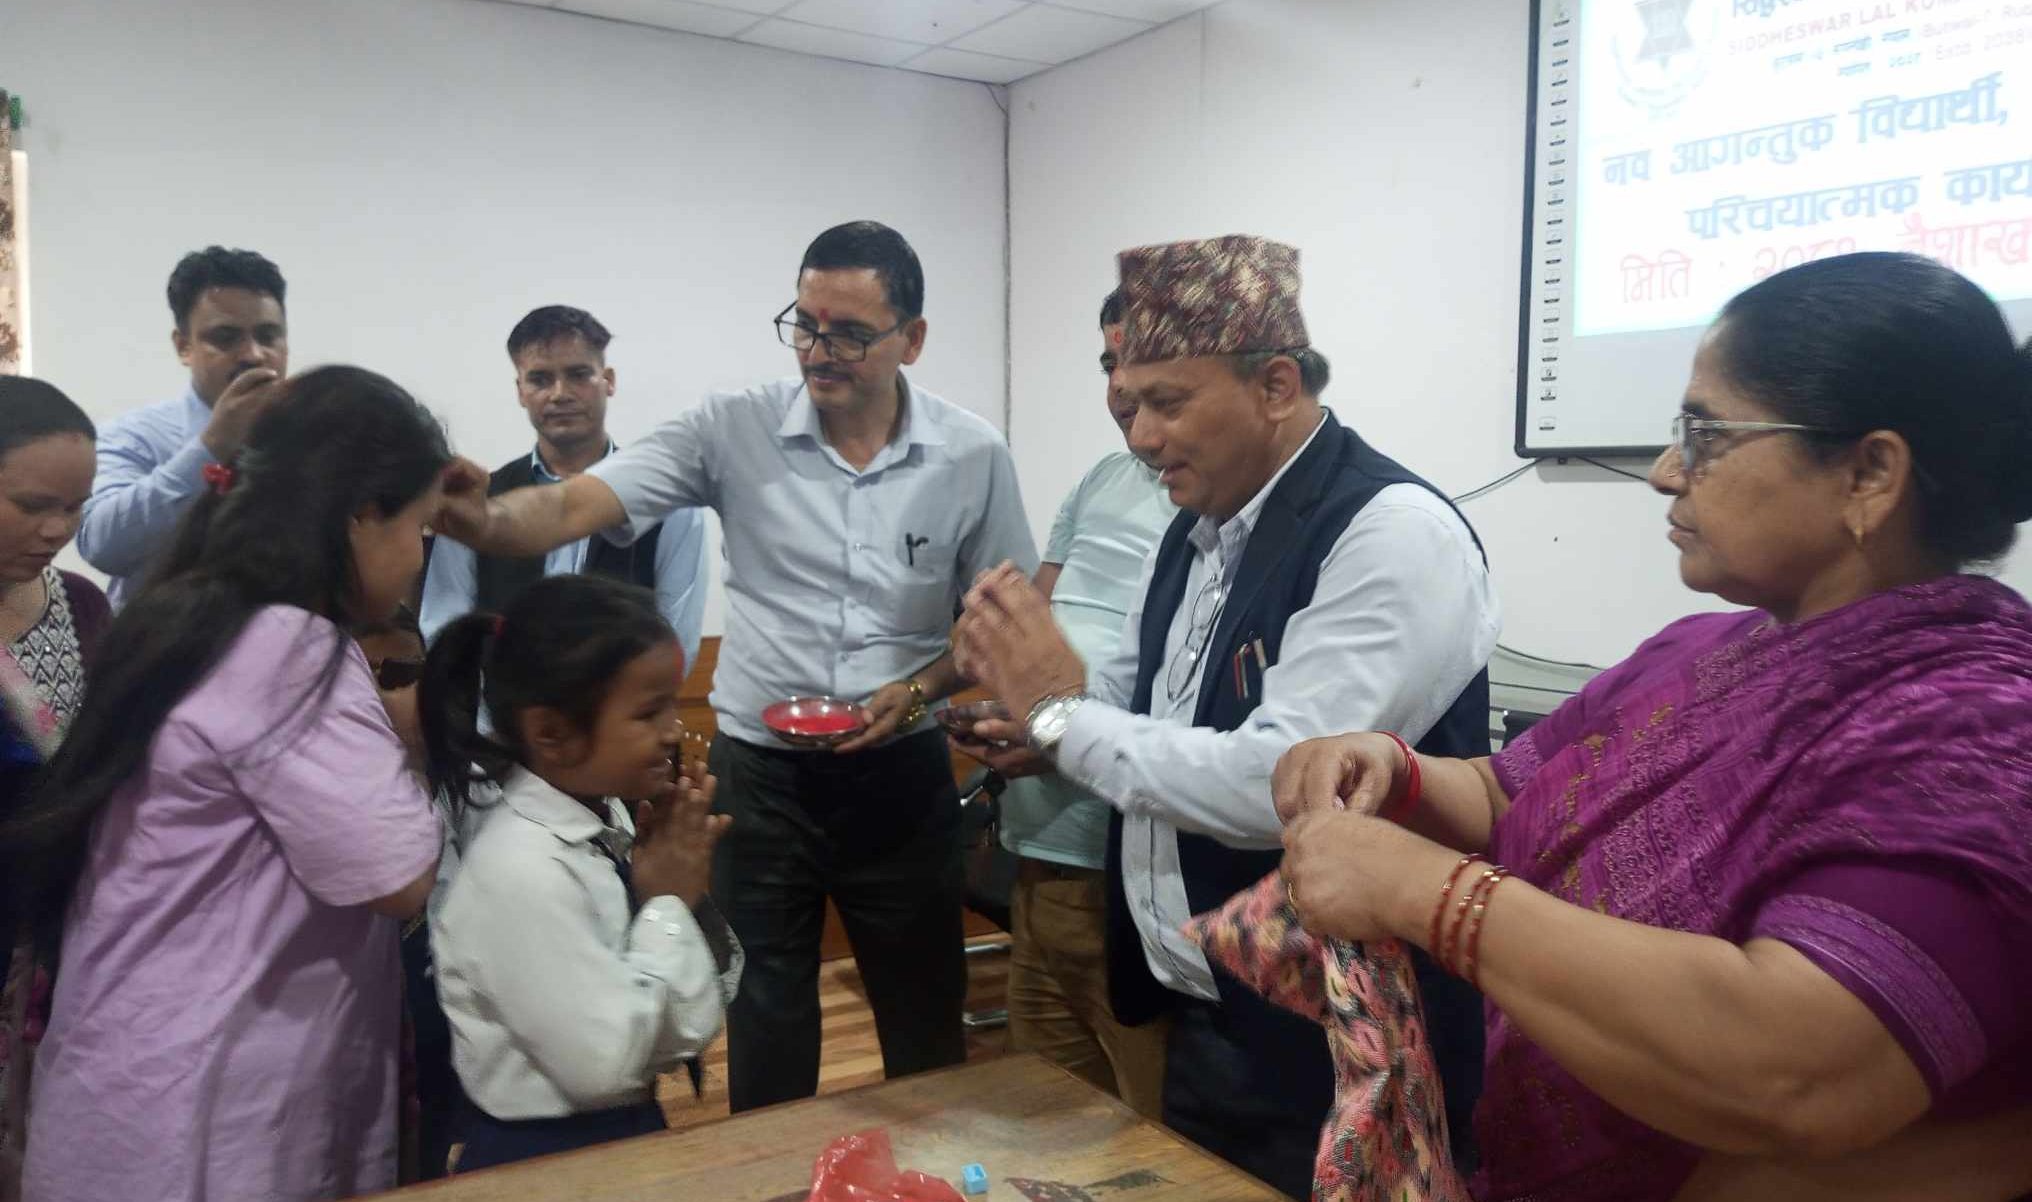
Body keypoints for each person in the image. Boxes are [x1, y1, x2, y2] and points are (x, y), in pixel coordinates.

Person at [1272, 252, 2032, 1202]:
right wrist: (1398, 772)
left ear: (1869, 473)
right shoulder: (1706, 650)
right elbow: (1512, 794)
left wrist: (1427, 893)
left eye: (1707, 435)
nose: (1667, 473)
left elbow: (1798, 1068)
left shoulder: (1975, 729)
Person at [430, 221, 1038, 1113]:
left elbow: (1004, 621)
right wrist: (484, 523)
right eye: (805, 325)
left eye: (849, 334)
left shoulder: (971, 455)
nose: (819, 352)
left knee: (923, 1018)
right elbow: (574, 504)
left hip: (900, 774)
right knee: (765, 1020)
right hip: (760, 779)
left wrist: (920, 690)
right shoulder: (732, 427)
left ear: (911, 339)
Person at [953, 234, 1498, 1198]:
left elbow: (1272, 784)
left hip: (1345, 1038)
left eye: (1167, 403)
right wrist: (1034, 699)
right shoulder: (1197, 529)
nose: (1139, 436)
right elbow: (1130, 694)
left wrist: (1057, 715)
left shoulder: (1392, 533)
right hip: (1206, 1013)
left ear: (1275, 385)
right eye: (1129, 403)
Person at [8, 367, 448, 1202]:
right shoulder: (289, 647)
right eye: (420, 527)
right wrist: (414, 752)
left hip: (135, 1080)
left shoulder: (189, 611)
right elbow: (396, 874)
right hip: (210, 1108)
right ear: (361, 515)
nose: (421, 556)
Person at [420, 573, 738, 1170]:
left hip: (618, 1132)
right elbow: (607, 1065)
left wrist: (667, 892)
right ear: (551, 733)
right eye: (648, 712)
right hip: (548, 1157)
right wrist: (666, 904)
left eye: (672, 704)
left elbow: (687, 1024)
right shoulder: (521, 871)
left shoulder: (604, 818)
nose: (674, 730)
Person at [961, 289, 1175, 1117]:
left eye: (1139, 362)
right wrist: (998, 695)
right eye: (1108, 362)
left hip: (1128, 874)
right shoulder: (1101, 480)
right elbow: (1039, 624)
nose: (1119, 385)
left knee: (1153, 1133)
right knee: (1045, 1120)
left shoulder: (1216, 503)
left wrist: (1060, 728)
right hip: (1039, 858)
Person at [418, 305, 708, 666]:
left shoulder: (667, 503)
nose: (560, 393)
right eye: (540, 379)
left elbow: (677, 641)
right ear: (520, 390)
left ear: (609, 380)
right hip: (495, 703)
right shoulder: (477, 501)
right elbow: (444, 628)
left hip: (622, 702)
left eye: (578, 374)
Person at [0, 379, 108, 1202]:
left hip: (59, 943)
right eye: (32, 505)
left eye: (74, 508)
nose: (57, 531)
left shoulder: (83, 607)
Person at [76, 246, 288, 606]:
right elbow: (103, 547)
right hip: (167, 640)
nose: (253, 354)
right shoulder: (134, 437)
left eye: (268, 336)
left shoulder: (317, 435)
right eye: (226, 338)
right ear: (183, 346)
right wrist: (212, 446)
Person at [353, 604, 469, 1183]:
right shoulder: (309, 809)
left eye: (397, 675)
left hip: (448, 1041)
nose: (373, 697)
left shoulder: (469, 794)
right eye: (355, 677)